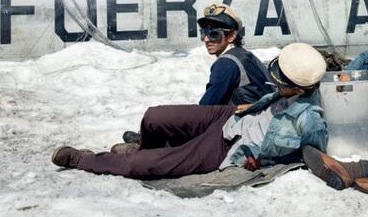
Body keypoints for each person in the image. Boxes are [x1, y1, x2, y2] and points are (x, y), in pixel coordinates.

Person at [51, 43, 328, 178]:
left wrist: (261, 161)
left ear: (299, 88)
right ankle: (145, 147)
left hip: (229, 145)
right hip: (230, 117)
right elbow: (273, 99)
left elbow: (311, 152)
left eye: (282, 79)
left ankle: (83, 160)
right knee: (155, 117)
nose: (276, 80)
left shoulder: (310, 118)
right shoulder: (289, 90)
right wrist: (252, 107)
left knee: (144, 167)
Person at [196, 3, 273, 106]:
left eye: (214, 34)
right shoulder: (244, 55)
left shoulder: (226, 63)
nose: (206, 39)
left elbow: (206, 107)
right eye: (204, 33)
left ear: (231, 36)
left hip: (247, 120)